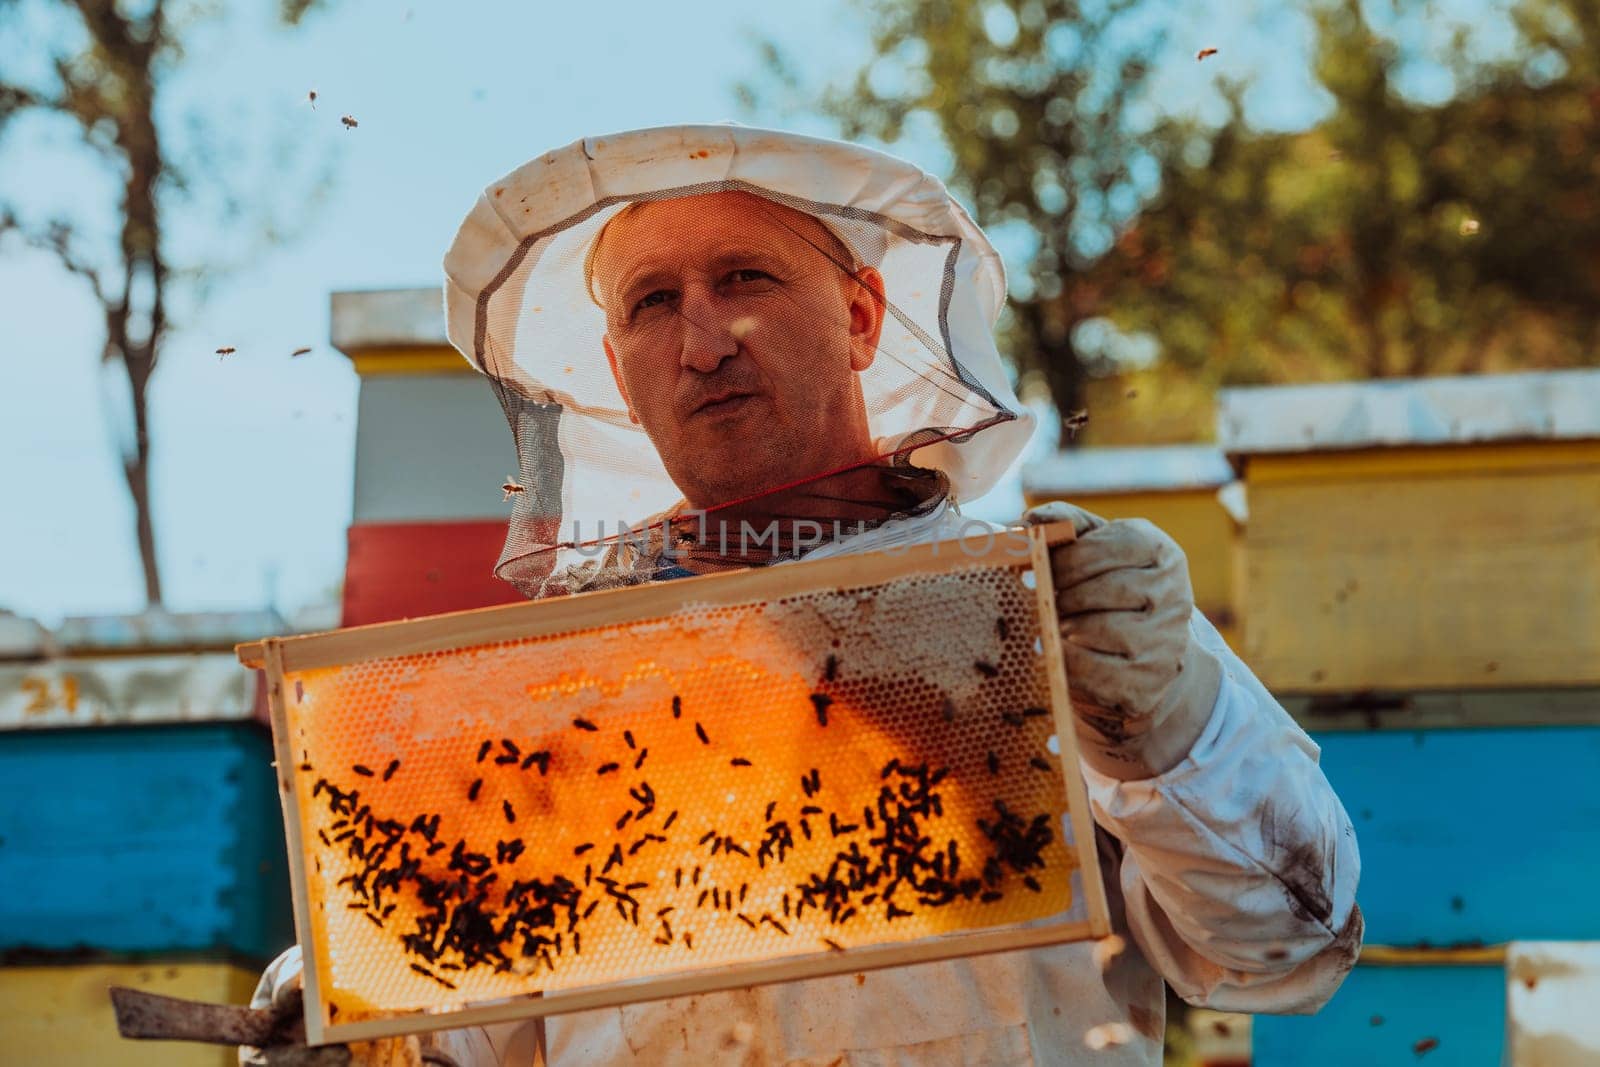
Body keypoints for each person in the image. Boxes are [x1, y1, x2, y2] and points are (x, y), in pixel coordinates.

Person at [245, 126, 1360, 1066]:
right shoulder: (554, 687)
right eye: (651, 302)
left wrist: (1169, 730)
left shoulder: (1050, 612)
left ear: (862, 314)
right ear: (617, 371)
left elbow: (1284, 951)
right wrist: (341, 1007)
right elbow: (457, 1029)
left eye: (745, 278)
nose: (699, 339)